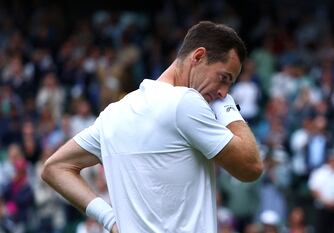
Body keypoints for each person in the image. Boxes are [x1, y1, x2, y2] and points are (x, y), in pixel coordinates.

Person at [41, 21, 263, 233]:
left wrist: (109, 220)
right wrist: (228, 108)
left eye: (229, 85)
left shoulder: (113, 114)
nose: (223, 92)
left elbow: (55, 168)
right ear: (198, 56)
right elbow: (251, 167)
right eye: (224, 78)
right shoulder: (185, 102)